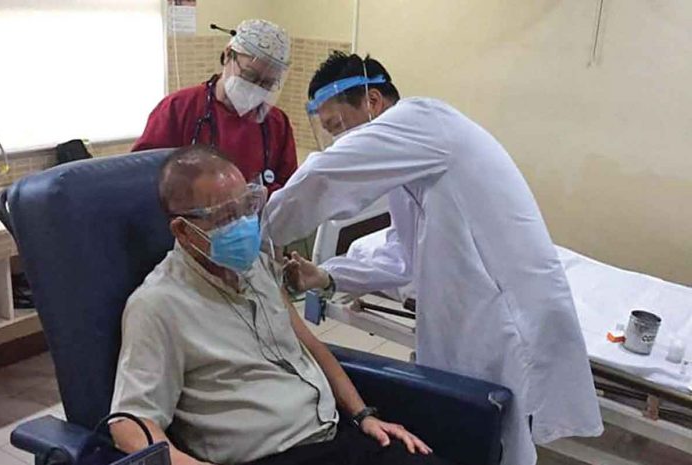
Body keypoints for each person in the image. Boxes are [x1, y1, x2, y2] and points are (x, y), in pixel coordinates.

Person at [262, 52, 604, 465]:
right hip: (472, 317)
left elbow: (326, 175)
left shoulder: (422, 121)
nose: (338, 139)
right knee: (475, 437)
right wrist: (326, 276)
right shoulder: (416, 163)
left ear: (372, 101)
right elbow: (402, 256)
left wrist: (256, 229)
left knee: (494, 440)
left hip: (501, 321)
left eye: (337, 125)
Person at [109, 145, 452, 465]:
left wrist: (364, 416)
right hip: (269, 455)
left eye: (246, 206)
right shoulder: (158, 305)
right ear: (183, 230)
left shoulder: (255, 266)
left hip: (329, 435)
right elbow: (129, 426)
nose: (244, 224)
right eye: (226, 216)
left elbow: (310, 344)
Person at [132, 19, 298, 194]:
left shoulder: (276, 123)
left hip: (255, 220)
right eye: (249, 75)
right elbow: (141, 176)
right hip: (191, 219)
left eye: (266, 84)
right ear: (228, 55)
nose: (255, 88)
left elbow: (289, 191)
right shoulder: (178, 108)